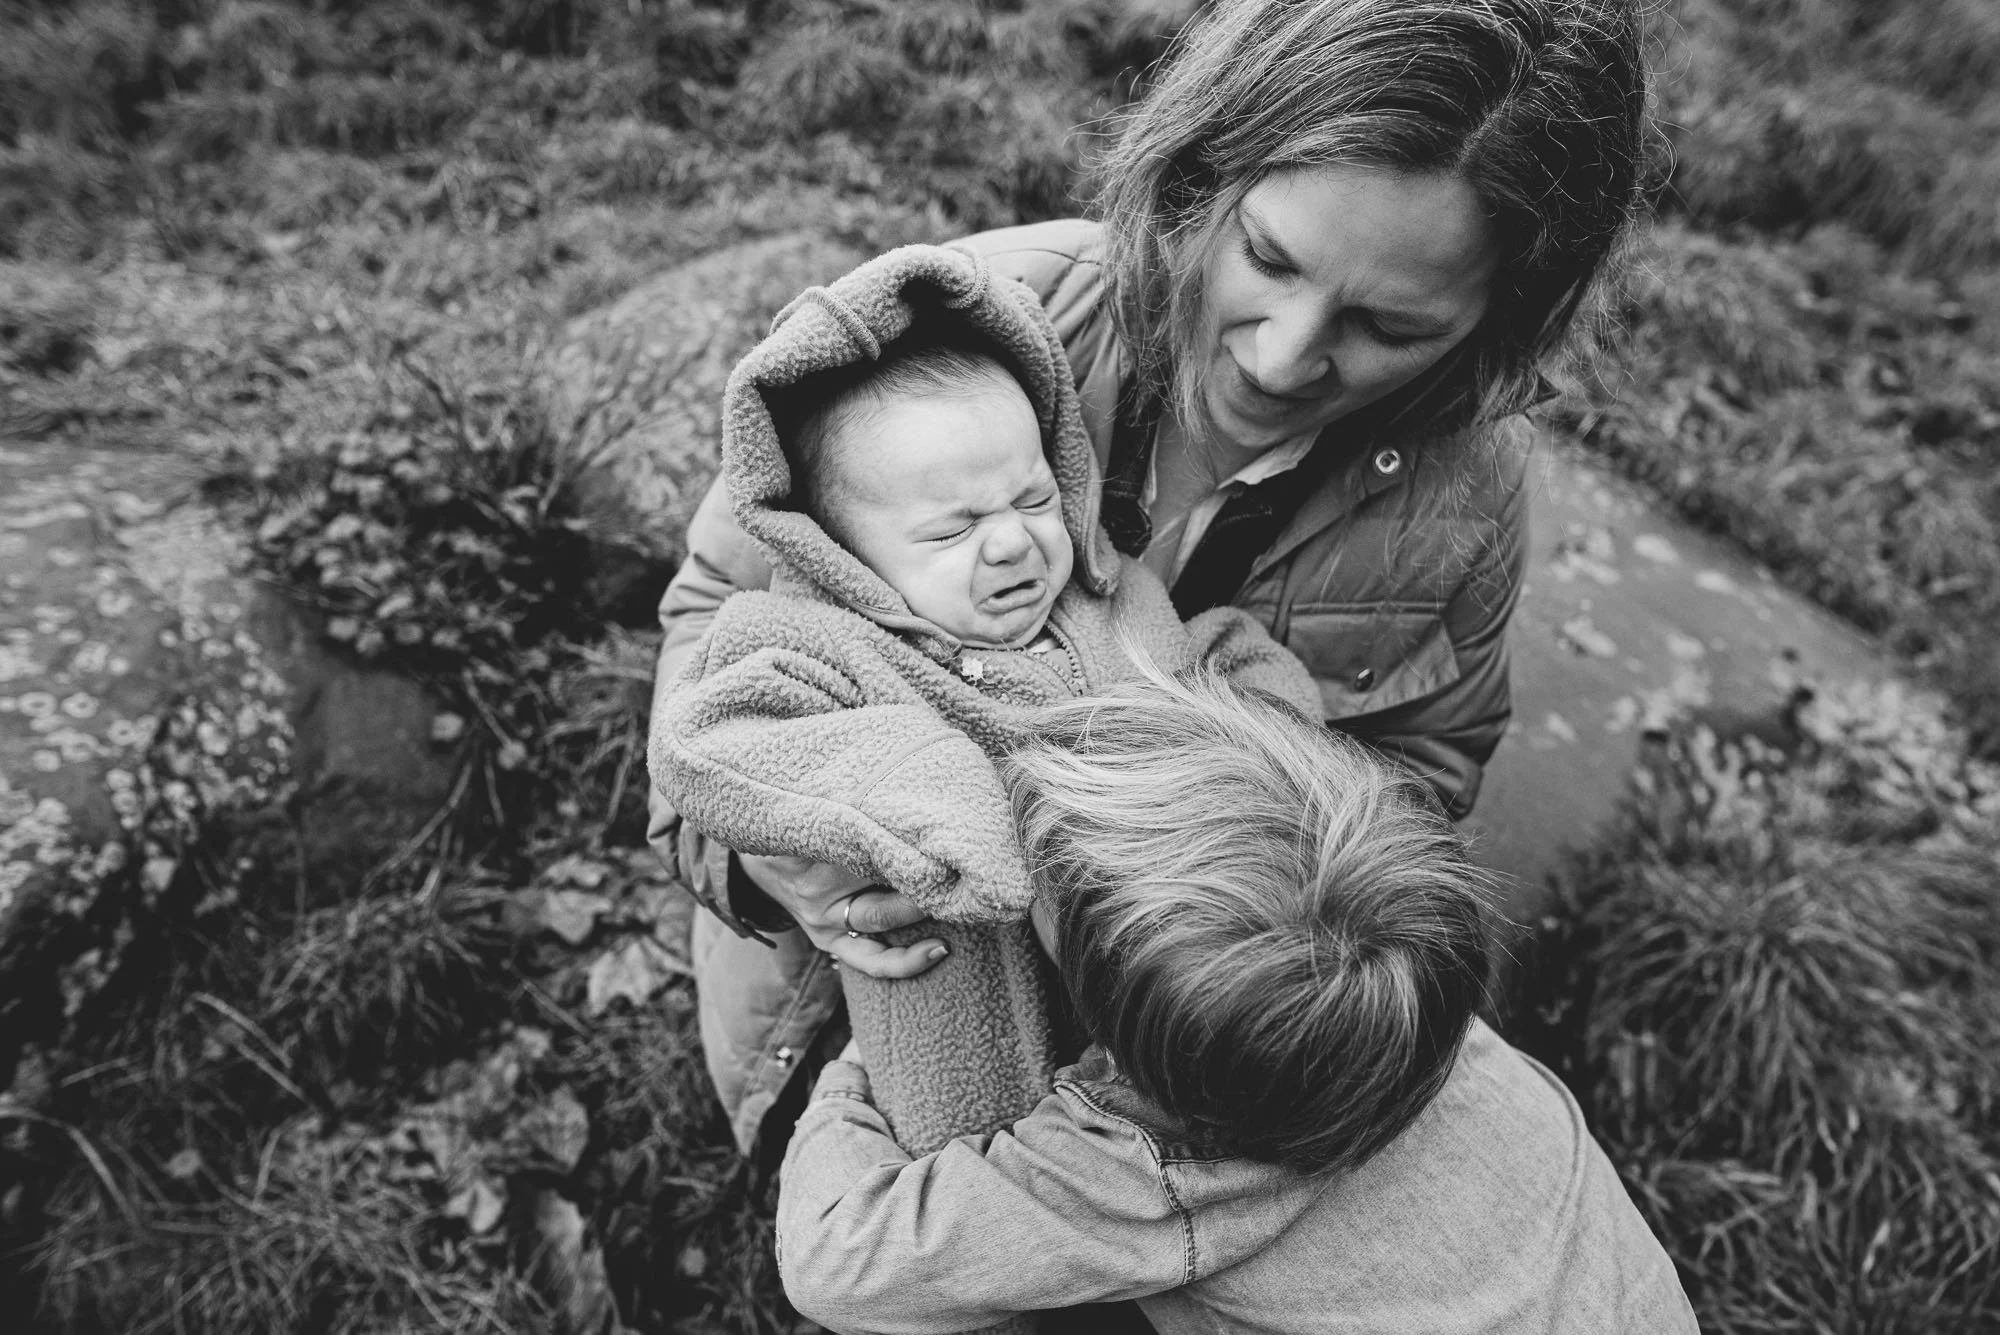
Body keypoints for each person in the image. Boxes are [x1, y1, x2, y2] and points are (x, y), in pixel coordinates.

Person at [647, 0, 1650, 1159]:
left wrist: (1275, 917)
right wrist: (764, 863)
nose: (1280, 358)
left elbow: (1419, 782)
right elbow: (711, 640)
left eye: (1388, 325)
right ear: (1201, 170)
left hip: (1149, 1103)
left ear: (1497, 321)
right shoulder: (955, 331)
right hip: (820, 1008)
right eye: (1266, 258)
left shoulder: (1465, 504)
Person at [776, 670, 1699, 1335]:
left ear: (1131, 1047)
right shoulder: (1404, 1001)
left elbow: (835, 1258)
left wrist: (859, 1057)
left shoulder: (1159, 1169)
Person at [650, 241, 1318, 1160]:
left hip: (1142, 1031)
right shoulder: (819, 642)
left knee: (1144, 1181)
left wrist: (1274, 737)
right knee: (964, 1212)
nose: (1012, 543)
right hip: (965, 1064)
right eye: (954, 528)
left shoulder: (1116, 602)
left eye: (1034, 498)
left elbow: (1219, 657)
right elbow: (708, 731)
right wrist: (917, 779)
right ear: (839, 554)